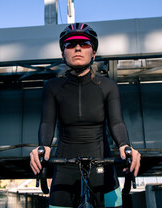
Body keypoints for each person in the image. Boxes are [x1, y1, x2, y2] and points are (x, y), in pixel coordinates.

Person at [30, 23, 141, 208]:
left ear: (94, 53)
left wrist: (126, 146)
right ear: (63, 54)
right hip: (65, 166)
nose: (78, 48)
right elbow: (47, 123)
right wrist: (42, 147)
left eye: (85, 43)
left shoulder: (108, 86)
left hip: (102, 164)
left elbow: (116, 122)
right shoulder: (52, 87)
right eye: (70, 44)